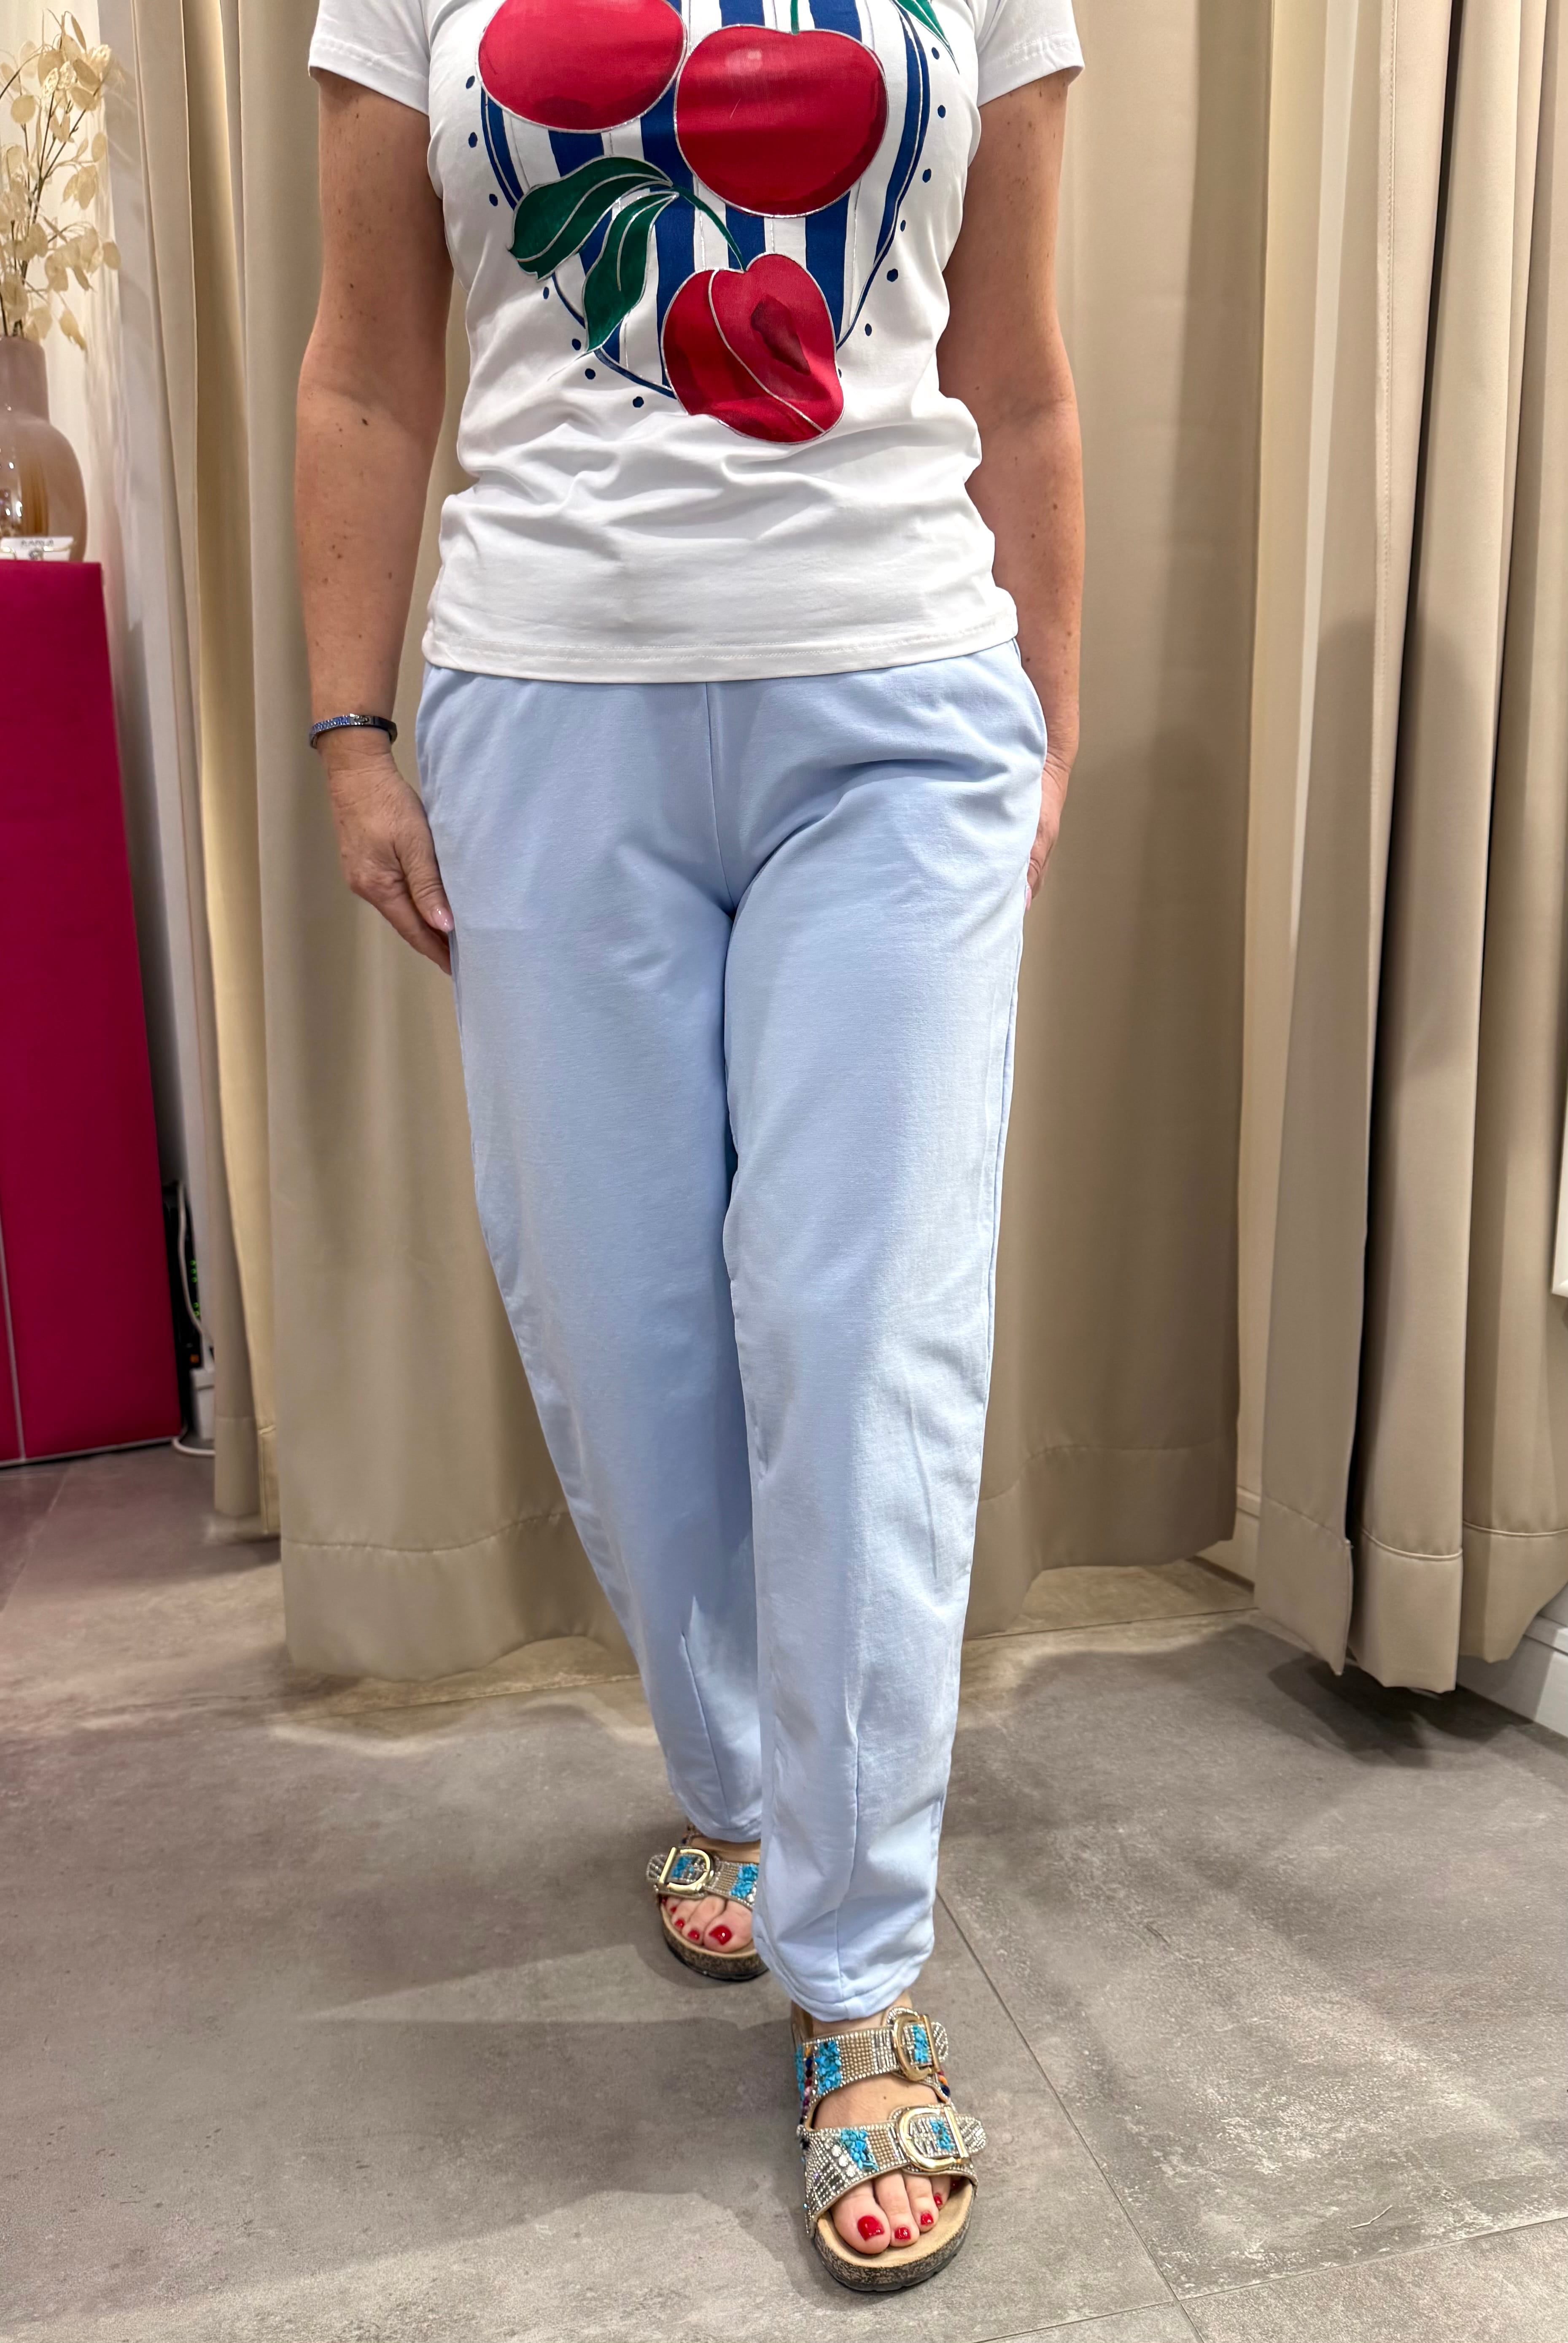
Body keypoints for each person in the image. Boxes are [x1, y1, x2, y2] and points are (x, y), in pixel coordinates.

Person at [296, 0, 1083, 2291]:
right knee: (622, 1334)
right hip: (545, 708)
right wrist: (351, 731)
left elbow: (1018, 373)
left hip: (899, 709)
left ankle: (859, 1972)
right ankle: (743, 1794)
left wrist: (1048, 714)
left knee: (864, 1335)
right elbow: (368, 370)